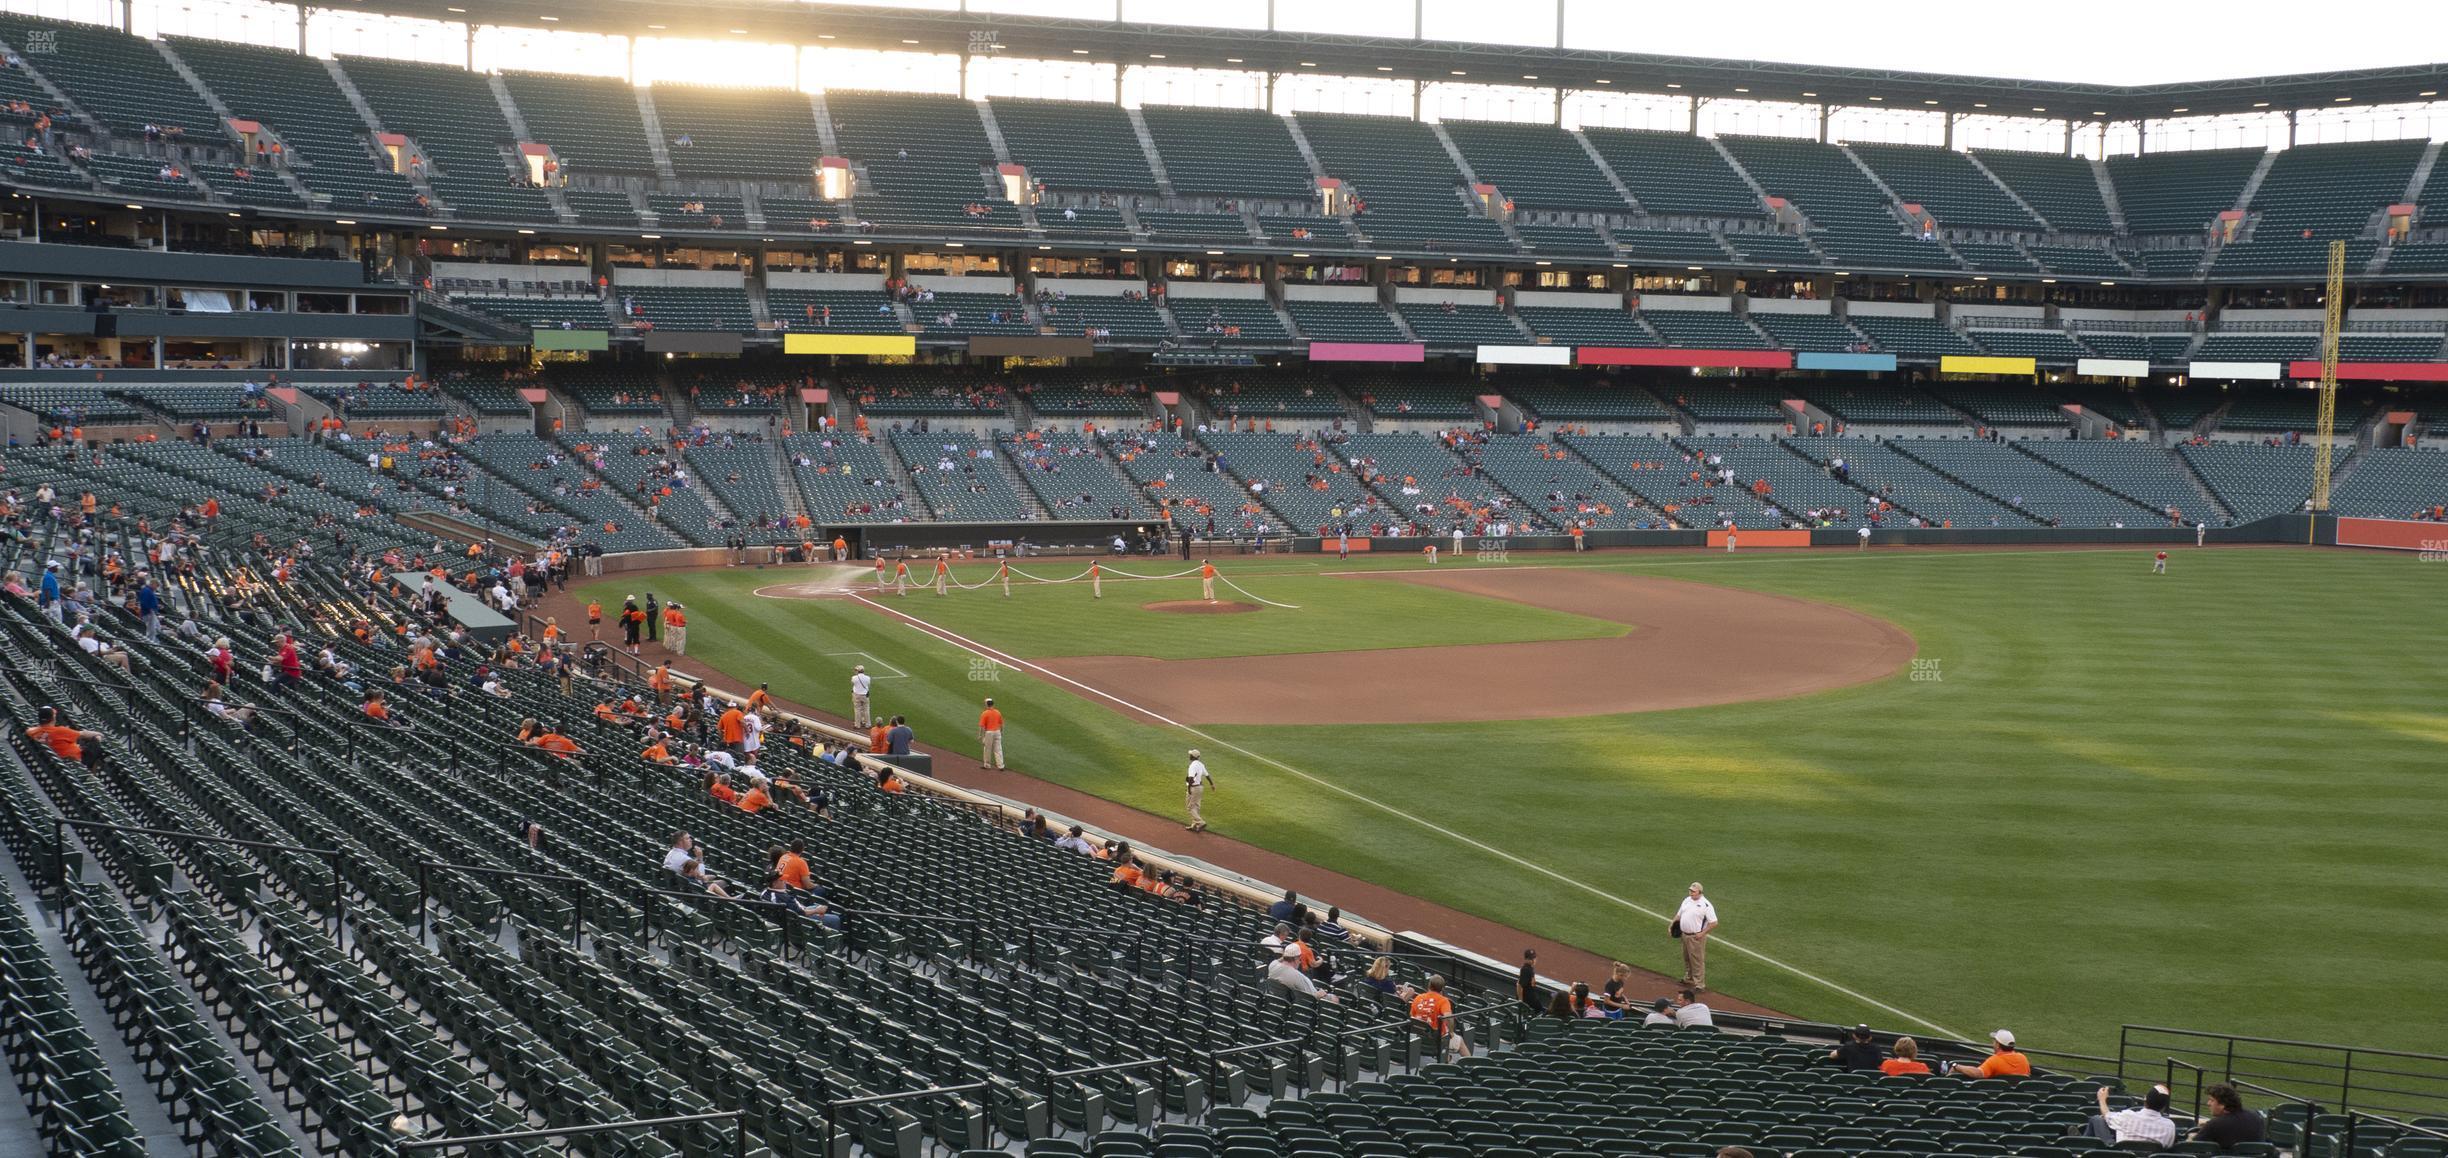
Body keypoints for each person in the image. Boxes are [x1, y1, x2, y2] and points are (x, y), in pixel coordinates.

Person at [2081, 1083, 2177, 1149]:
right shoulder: (2170, 1126)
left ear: (2145, 1100)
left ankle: (2079, 1146)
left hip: (2120, 1154)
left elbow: (2107, 1115)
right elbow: (2167, 1147)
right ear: (2163, 1107)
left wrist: (2102, 1099)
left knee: (2097, 1119)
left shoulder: (2129, 1117)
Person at [2191, 1085, 2267, 1151]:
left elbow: (2191, 1147)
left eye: (2212, 1100)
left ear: (2222, 1104)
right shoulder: (2256, 1117)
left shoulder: (2215, 1124)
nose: (2208, 1103)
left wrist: (2190, 1137)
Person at [26, 706, 103, 768]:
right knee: (96, 740)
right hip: (75, 761)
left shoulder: (31, 731)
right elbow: (84, 734)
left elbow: (40, 732)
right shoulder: (60, 731)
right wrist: (99, 734)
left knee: (81, 742)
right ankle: (91, 776)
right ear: (53, 718)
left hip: (56, 761)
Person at [1675, 882, 1718, 990]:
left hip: (1696, 937)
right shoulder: (1687, 900)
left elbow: (1714, 922)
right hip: (1684, 935)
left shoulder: (1706, 905)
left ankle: (1699, 984)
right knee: (1687, 958)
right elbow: (1679, 915)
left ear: (1700, 892)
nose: (1691, 893)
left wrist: (1702, 933)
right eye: (1690, 890)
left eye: (1693, 891)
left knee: (1697, 960)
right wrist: (1672, 925)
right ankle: (1689, 978)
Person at [1409, 974, 1465, 1056]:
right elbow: (1448, 1018)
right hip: (1437, 1042)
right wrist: (1452, 1032)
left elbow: (1412, 1017)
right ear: (1442, 989)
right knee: (1459, 1040)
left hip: (1417, 1038)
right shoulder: (1443, 1001)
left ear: (1429, 985)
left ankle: (1447, 1060)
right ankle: (1471, 1064)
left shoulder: (1418, 997)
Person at [1267, 943, 1337, 1002]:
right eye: (1299, 959)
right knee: (1334, 998)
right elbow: (1311, 997)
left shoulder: (1272, 965)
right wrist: (1320, 994)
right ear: (1295, 958)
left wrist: (1288, 954)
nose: (1300, 961)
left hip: (1278, 1000)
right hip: (1306, 1003)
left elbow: (1279, 960)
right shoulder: (1297, 976)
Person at [1951, 1029, 2031, 1078]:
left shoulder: (1995, 1060)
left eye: (1994, 1041)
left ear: (1998, 1044)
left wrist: (1957, 1066)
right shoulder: (2023, 1058)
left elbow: (1978, 1073)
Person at [1182, 748, 1211, 831]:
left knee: (1190, 807)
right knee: (1196, 806)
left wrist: (1189, 788)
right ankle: (1194, 825)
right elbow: (1207, 775)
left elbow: (1190, 779)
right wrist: (1212, 784)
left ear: (1192, 756)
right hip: (1200, 788)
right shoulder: (1201, 764)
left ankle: (1200, 822)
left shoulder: (1192, 766)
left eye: (1190, 755)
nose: (1189, 756)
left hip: (1193, 788)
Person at [978, 697, 1004, 769]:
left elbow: (982, 726)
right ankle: (1001, 766)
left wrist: (981, 736)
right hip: (997, 732)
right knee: (998, 749)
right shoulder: (998, 712)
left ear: (987, 705)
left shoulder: (985, 713)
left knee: (987, 749)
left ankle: (987, 765)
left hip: (989, 733)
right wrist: (1001, 732)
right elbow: (1001, 724)